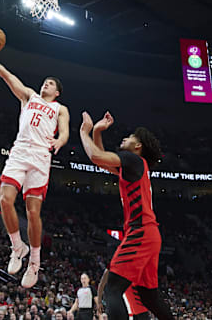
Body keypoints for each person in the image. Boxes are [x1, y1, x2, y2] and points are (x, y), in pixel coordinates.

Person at [0, 40, 70, 288]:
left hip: (41, 156)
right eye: (45, 82)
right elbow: (7, 75)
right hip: (20, 151)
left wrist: (60, 141)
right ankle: (18, 247)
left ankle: (35, 263)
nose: (45, 84)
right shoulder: (29, 95)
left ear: (57, 92)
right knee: (5, 199)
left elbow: (64, 132)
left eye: (50, 83)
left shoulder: (60, 108)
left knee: (32, 212)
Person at [79, 111, 172, 320]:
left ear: (138, 146)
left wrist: (84, 132)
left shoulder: (132, 160)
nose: (124, 139)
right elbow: (101, 161)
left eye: (129, 137)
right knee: (149, 298)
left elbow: (95, 156)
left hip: (140, 232)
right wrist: (97, 131)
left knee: (113, 288)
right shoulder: (136, 166)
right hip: (150, 234)